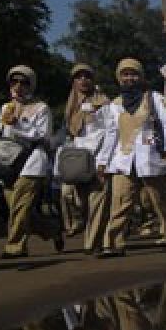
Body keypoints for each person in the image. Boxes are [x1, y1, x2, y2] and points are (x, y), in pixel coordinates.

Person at [97, 58, 166, 258]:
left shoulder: (153, 98)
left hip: (149, 156)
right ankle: (113, 243)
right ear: (119, 78)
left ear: (141, 76)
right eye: (125, 74)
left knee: (162, 200)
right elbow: (111, 134)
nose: (129, 78)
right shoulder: (116, 104)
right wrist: (103, 161)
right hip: (124, 159)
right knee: (120, 202)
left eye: (133, 74)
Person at [0, 65, 63, 258]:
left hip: (32, 164)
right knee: (19, 209)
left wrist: (17, 124)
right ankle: (51, 230)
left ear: (31, 86)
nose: (18, 86)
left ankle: (15, 247)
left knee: (19, 207)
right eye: (14, 82)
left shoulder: (41, 109)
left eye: (23, 82)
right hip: (8, 164)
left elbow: (43, 136)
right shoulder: (6, 108)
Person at [58, 63, 112, 254]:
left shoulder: (103, 102)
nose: (83, 80)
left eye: (87, 76)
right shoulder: (71, 104)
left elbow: (110, 131)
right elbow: (69, 135)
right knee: (68, 194)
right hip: (77, 162)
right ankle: (77, 223)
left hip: (97, 159)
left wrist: (104, 161)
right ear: (73, 81)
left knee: (96, 200)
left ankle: (92, 243)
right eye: (78, 77)